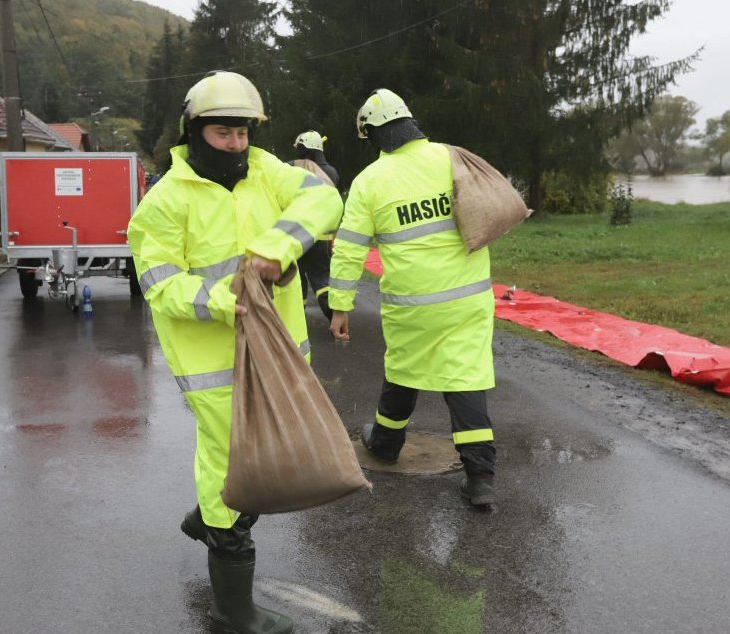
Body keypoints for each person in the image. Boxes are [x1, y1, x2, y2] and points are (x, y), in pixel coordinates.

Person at [127, 71, 343, 634]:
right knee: (232, 471)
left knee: (272, 456)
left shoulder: (267, 172)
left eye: (244, 132)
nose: (238, 145)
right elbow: (159, 284)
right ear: (195, 131)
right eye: (225, 133)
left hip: (279, 355)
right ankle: (235, 607)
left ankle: (205, 519)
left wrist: (279, 246)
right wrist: (221, 299)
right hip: (213, 369)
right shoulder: (164, 203)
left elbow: (324, 196)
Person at [328, 88, 498, 508]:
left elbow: (349, 247)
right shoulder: (452, 157)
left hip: (413, 306)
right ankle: (480, 476)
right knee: (467, 378)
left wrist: (340, 305)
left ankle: (385, 444)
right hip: (468, 299)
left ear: (372, 135)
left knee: (404, 371)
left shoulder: (370, 181)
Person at [290, 130, 341, 322]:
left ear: (304, 148)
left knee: (297, 278)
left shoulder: (295, 167)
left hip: (300, 234)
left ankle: (297, 319)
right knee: (322, 278)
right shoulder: (332, 172)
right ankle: (334, 315)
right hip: (324, 237)